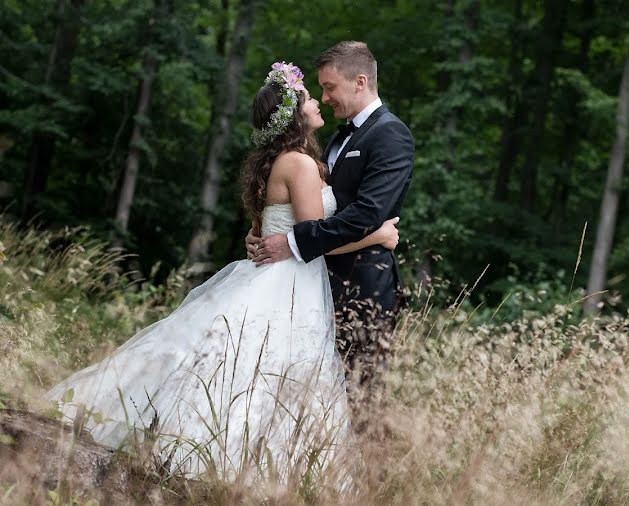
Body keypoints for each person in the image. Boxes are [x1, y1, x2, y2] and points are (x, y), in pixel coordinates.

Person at [45, 61, 399, 481]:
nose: (319, 101)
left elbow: (266, 228)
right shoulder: (300, 165)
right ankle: (245, 465)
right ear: (293, 114)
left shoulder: (276, 162)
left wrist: (260, 238)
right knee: (272, 370)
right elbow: (314, 236)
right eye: (309, 97)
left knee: (252, 367)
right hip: (290, 283)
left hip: (279, 275)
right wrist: (378, 237)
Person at [247, 42, 414, 415]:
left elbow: (367, 212)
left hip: (362, 285)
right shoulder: (337, 138)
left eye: (330, 88)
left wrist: (291, 241)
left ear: (359, 82)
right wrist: (270, 229)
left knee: (360, 393)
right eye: (318, 91)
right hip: (314, 281)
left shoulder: (390, 134)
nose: (324, 98)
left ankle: (367, 472)